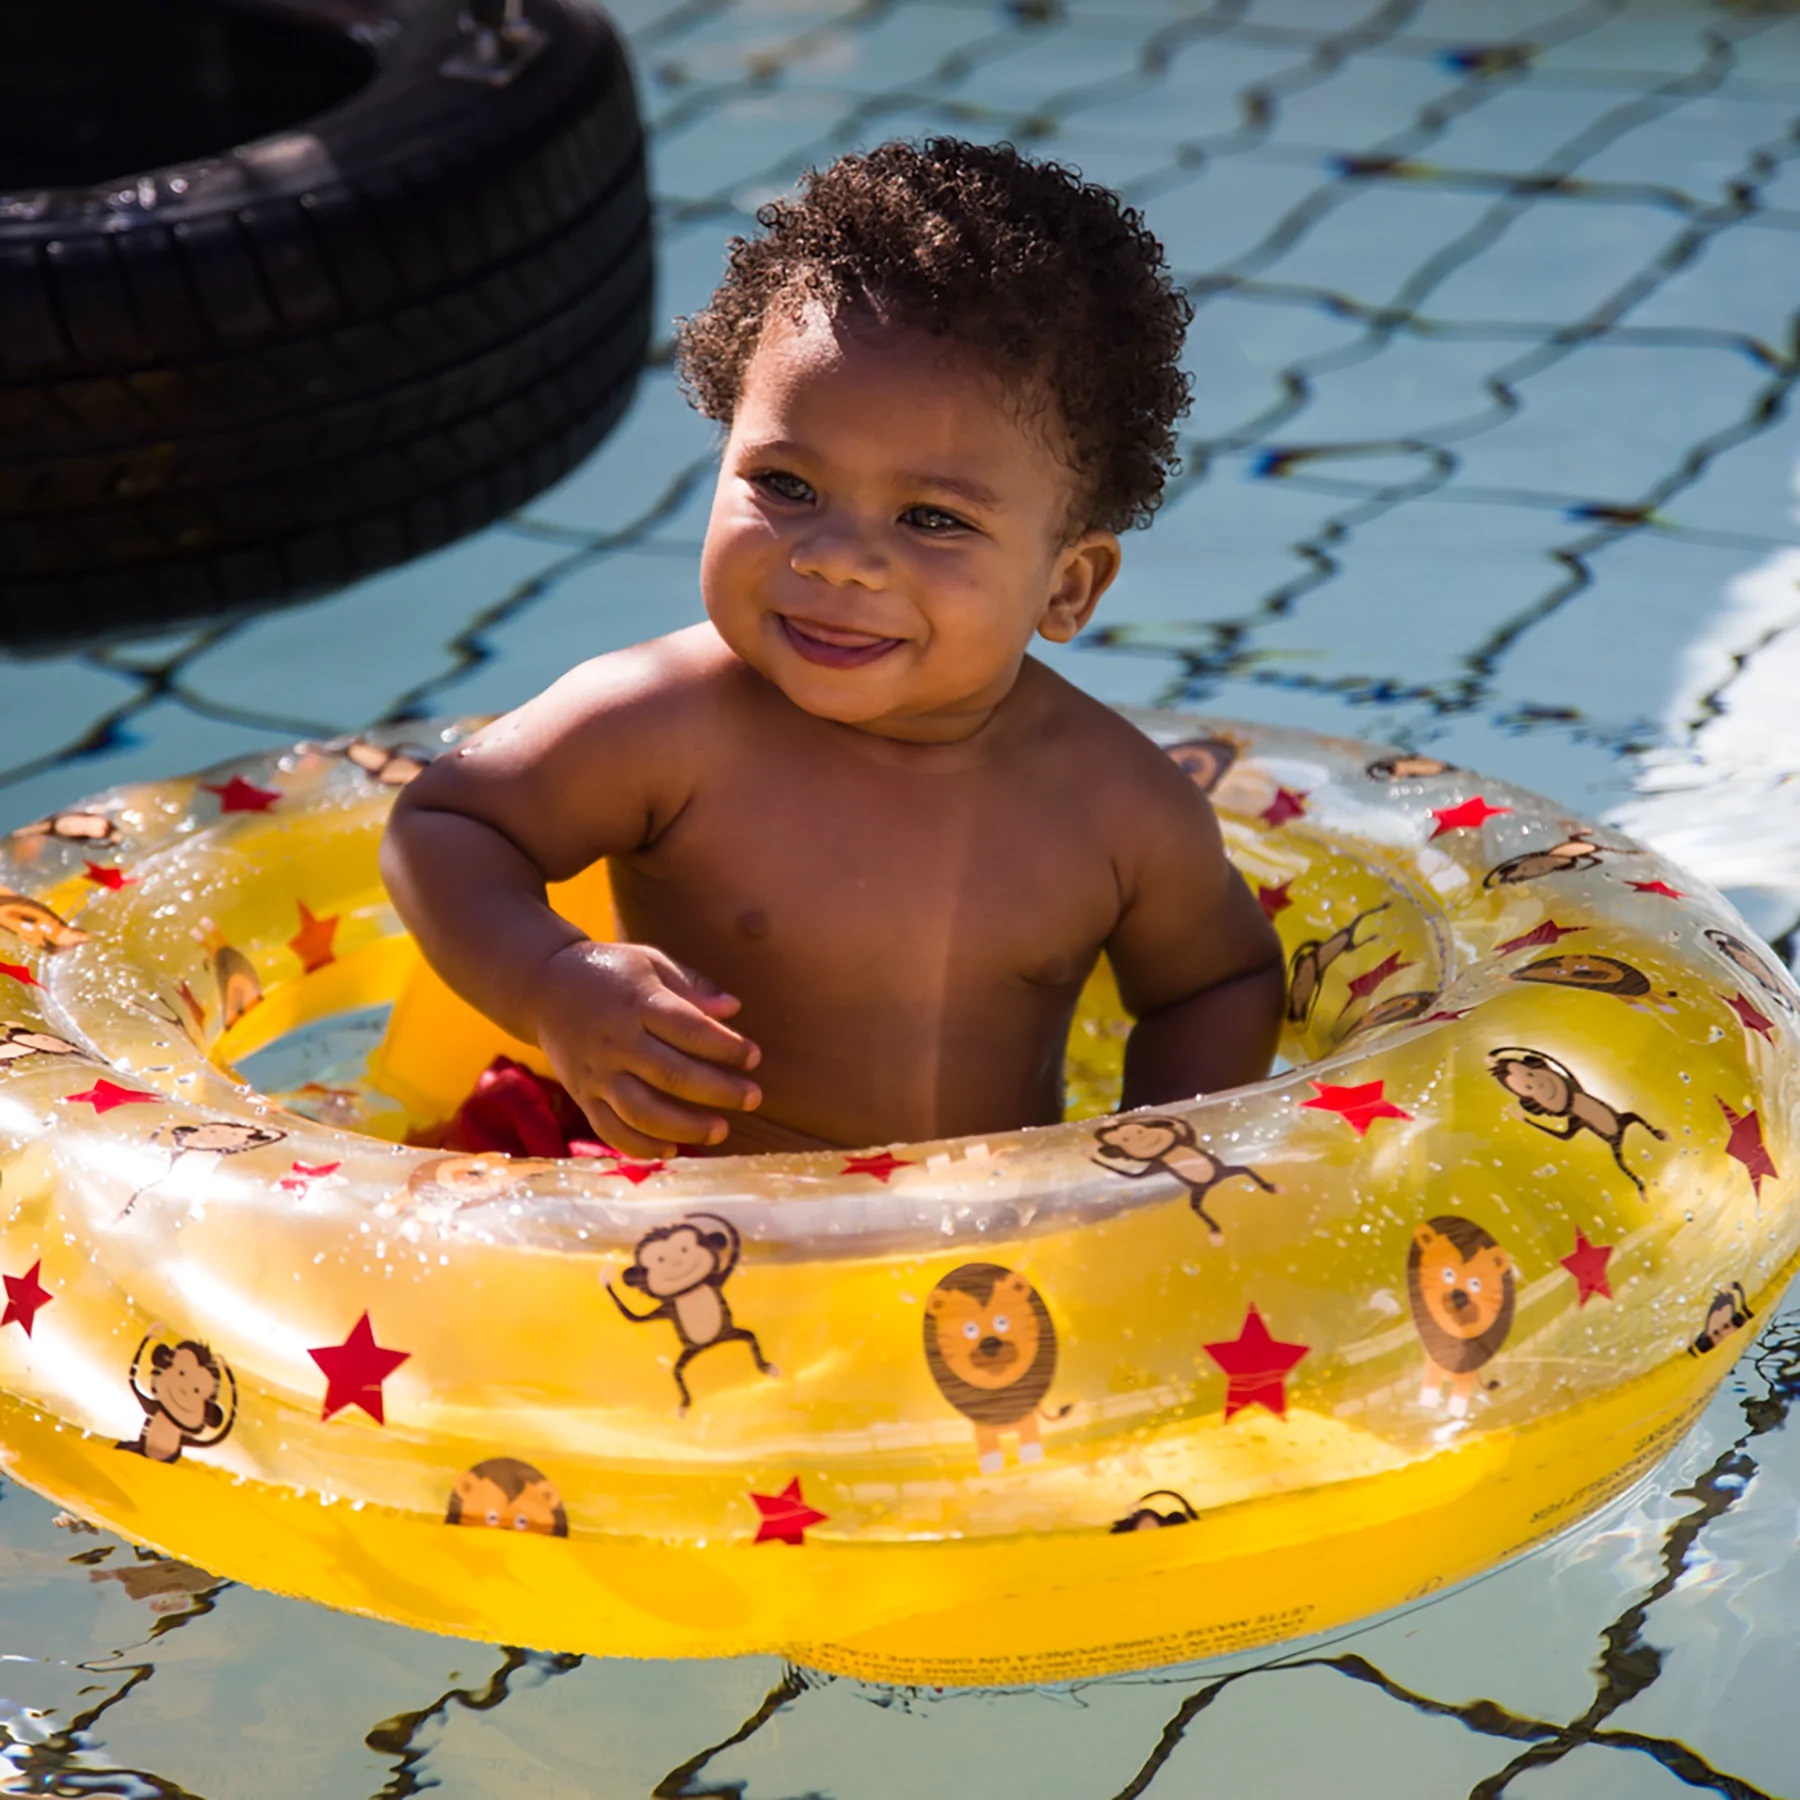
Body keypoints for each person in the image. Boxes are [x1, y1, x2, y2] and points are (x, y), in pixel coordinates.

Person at [382, 138, 1284, 1159]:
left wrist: (1152, 1156)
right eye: (787, 485)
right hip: (665, 1226)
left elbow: (1220, 980)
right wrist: (551, 982)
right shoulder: (666, 723)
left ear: (1066, 586)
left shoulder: (1117, 806)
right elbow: (446, 819)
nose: (841, 560)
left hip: (969, 1267)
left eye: (933, 519)